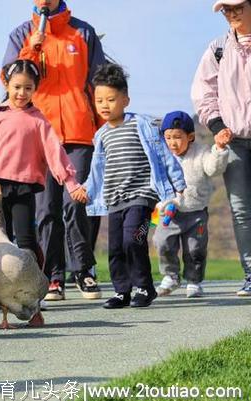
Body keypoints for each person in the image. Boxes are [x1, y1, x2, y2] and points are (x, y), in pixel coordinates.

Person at [2, 0, 105, 301]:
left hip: (79, 132)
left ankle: (83, 271)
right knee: (47, 209)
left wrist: (99, 126)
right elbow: (10, 80)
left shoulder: (84, 33)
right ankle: (52, 276)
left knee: (76, 203)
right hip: (39, 133)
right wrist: (32, 49)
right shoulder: (21, 34)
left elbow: (99, 83)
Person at [81, 64, 186, 309]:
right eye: (99, 100)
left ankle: (144, 287)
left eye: (111, 99)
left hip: (141, 196)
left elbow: (164, 156)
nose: (105, 105)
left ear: (126, 100)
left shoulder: (142, 125)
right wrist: (86, 188)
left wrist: (178, 185)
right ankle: (122, 292)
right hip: (114, 199)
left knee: (134, 239)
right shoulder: (101, 135)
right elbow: (97, 171)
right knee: (116, 247)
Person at [0, 60, 86, 264]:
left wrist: (71, 183)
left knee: (26, 239)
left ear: (35, 89)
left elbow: (54, 153)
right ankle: (1, 286)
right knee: (0, 238)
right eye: (17, 87)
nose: (21, 93)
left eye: (28, 88)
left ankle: (34, 283)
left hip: (24, 188)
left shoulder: (38, 121)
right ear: (6, 85)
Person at [192, 0, 251, 297]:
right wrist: (216, 127)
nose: (232, 13)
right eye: (226, 10)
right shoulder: (218, 49)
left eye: (238, 6)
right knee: (241, 210)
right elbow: (203, 92)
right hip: (235, 142)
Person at [153, 111, 231, 298]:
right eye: (168, 137)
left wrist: (219, 149)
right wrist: (161, 205)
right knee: (161, 242)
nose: (173, 142)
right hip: (168, 211)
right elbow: (154, 181)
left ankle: (194, 281)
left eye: (178, 137)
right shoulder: (161, 156)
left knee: (195, 248)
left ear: (190, 137)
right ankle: (171, 276)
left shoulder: (201, 152)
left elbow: (213, 169)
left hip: (196, 212)